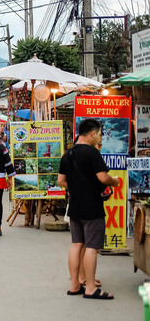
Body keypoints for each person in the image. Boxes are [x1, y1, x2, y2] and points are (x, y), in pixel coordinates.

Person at [58, 118, 120, 300]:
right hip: (92, 206)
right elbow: (103, 178)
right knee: (92, 247)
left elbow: (61, 182)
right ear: (92, 133)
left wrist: (77, 187)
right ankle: (91, 288)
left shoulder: (67, 154)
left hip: (75, 206)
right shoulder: (92, 153)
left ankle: (75, 285)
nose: (99, 137)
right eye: (99, 134)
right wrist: (114, 181)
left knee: (76, 245)